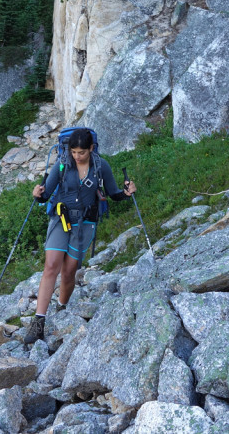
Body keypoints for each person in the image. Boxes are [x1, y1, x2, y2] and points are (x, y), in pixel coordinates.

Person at [24, 128, 136, 344]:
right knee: (51, 266)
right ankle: (38, 322)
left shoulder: (101, 166)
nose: (77, 156)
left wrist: (127, 192)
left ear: (91, 148)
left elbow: (113, 194)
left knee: (68, 272)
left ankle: (62, 307)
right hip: (61, 220)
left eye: (81, 152)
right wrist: (38, 195)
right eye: (73, 152)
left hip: (85, 224)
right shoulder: (63, 165)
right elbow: (46, 194)